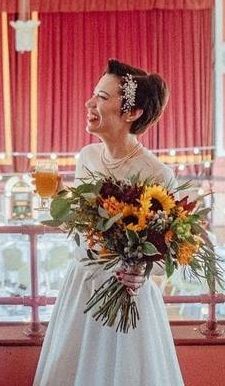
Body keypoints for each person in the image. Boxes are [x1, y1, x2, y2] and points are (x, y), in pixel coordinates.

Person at [33, 59, 183, 386]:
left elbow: (168, 253)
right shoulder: (86, 157)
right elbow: (79, 232)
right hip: (81, 288)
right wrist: (59, 196)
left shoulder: (157, 174)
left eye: (101, 97)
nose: (89, 103)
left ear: (131, 113)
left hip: (127, 298)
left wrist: (141, 270)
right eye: (93, 95)